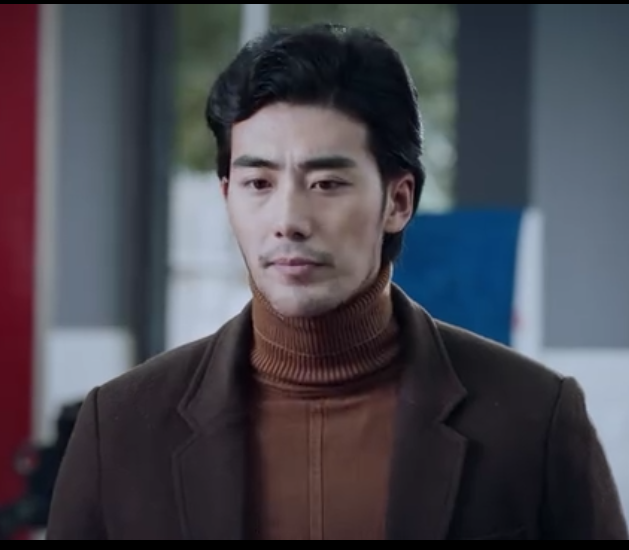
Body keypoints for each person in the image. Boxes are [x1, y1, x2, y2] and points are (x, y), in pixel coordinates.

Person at [46, 23, 627, 540]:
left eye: (326, 183)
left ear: (398, 201)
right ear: (227, 197)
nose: (288, 220)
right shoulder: (119, 427)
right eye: (258, 184)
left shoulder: (534, 416)